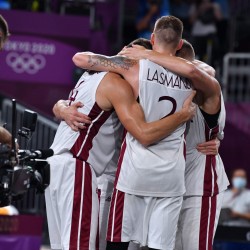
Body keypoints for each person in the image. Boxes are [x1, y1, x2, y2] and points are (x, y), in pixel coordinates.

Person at [71, 15, 225, 250]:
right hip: (171, 178)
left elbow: (81, 59)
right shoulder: (197, 79)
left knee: (118, 243)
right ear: (180, 44)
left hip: (134, 172)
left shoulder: (133, 67)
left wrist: (139, 55)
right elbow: (205, 72)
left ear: (152, 39)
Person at [46, 36, 196, 250]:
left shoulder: (91, 76)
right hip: (78, 167)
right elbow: (144, 134)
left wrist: (60, 107)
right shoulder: (118, 85)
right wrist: (182, 116)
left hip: (58, 167)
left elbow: (78, 63)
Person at [121, 39, 229, 250]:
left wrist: (150, 55)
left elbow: (206, 70)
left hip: (197, 186)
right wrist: (61, 106)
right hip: (164, 184)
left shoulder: (201, 82)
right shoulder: (155, 84)